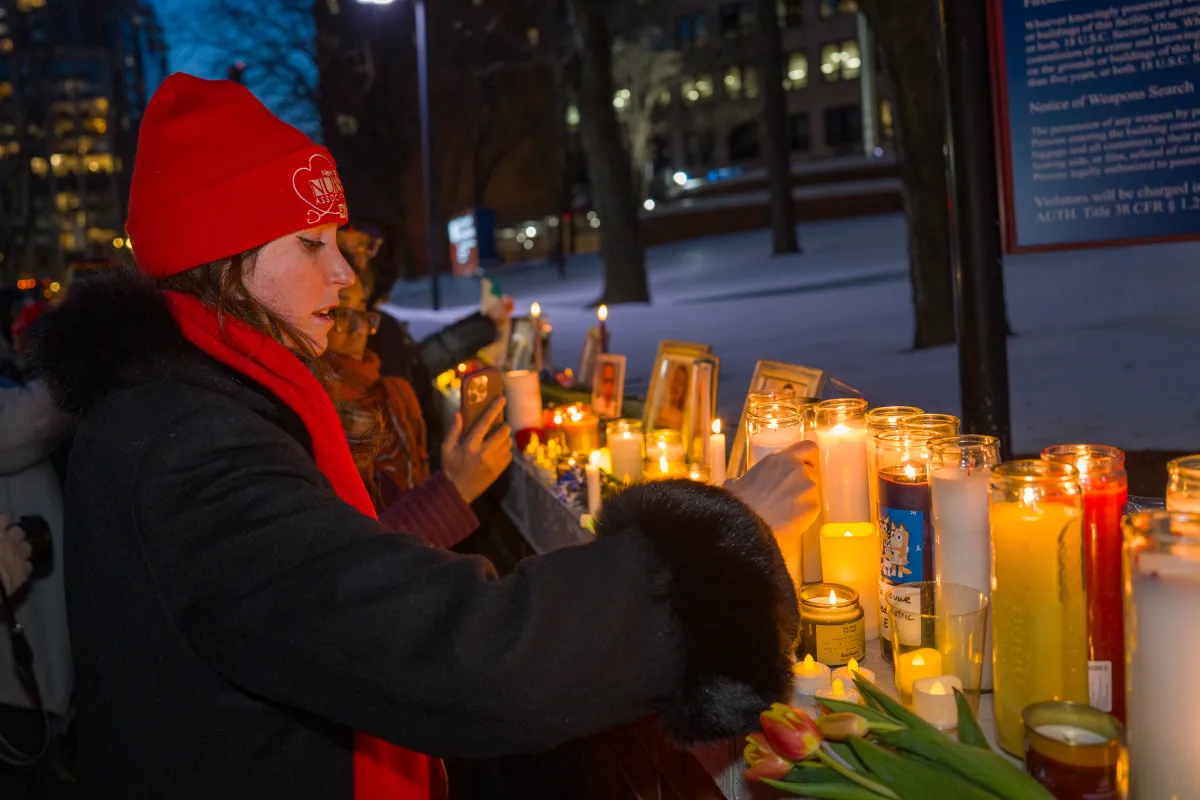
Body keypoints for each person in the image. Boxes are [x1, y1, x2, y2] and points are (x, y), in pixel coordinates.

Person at [31, 74, 819, 799]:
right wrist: (719, 549)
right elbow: (456, 652)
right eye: (312, 242)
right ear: (226, 260)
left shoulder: (183, 402)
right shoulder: (187, 446)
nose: (344, 275)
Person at [325, 251, 505, 548]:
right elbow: (357, 557)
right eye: (342, 313)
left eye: (363, 312)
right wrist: (454, 489)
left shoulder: (390, 393)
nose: (360, 330)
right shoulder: (321, 418)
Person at [654, 363, 689, 430]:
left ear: (684, 389)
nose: (676, 386)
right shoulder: (659, 410)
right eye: (674, 380)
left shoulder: (684, 418)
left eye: (681, 383)